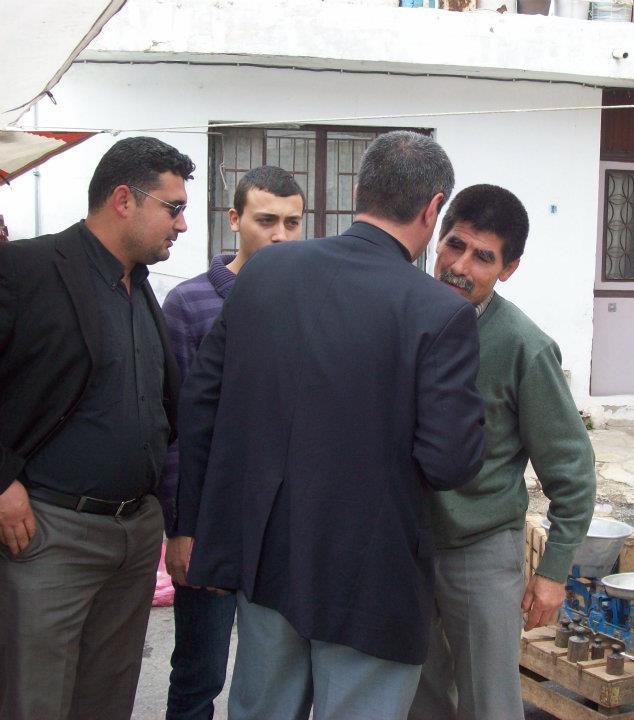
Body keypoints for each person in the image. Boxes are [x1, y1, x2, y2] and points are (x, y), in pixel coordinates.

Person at [175, 130, 486, 720]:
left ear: (358, 192)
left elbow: (202, 403)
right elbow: (450, 462)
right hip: (372, 576)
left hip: (268, 557)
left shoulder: (265, 272)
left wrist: (202, 530)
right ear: (432, 208)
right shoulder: (440, 312)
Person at [0, 136, 195, 720]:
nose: (183, 225)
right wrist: (2, 480)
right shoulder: (27, 269)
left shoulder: (140, 287)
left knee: (107, 698)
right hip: (51, 533)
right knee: (35, 699)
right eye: (173, 207)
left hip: (134, 536)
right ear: (123, 200)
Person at [409, 184, 596, 720]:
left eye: (482, 257)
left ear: (509, 269)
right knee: (418, 700)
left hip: (481, 551)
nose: (459, 266)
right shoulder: (404, 315)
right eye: (454, 245)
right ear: (437, 238)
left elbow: (572, 470)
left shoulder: (523, 347)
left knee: (489, 702)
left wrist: (553, 571)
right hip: (406, 546)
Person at [160, 166, 306, 720]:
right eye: (266, 220)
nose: (280, 235)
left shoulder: (309, 301)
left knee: (274, 672)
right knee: (200, 670)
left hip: (281, 522)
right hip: (212, 521)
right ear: (234, 220)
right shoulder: (190, 304)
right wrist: (182, 529)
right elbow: (176, 427)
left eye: (292, 223)